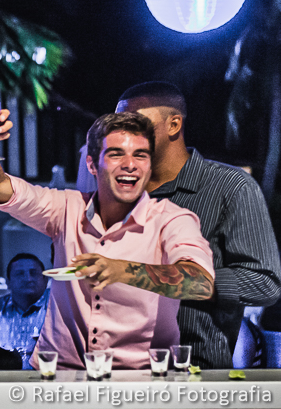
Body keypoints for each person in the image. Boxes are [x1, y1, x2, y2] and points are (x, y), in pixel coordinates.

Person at [0, 111, 216, 370]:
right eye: (117, 153)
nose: (130, 164)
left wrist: (121, 270)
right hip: (61, 376)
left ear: (150, 166)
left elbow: (201, 284)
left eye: (140, 155)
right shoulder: (65, 208)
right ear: (92, 164)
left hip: (142, 379)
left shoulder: (171, 219)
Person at [111, 82, 281, 368]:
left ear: (174, 124)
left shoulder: (230, 187)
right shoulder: (119, 190)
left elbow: (265, 283)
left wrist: (178, 279)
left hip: (195, 370)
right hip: (117, 368)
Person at [0, 253, 50, 369]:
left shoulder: (58, 308)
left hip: (47, 380)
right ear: (8, 282)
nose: (28, 279)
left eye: (33, 273)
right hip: (2, 381)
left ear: (45, 279)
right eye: (20, 274)